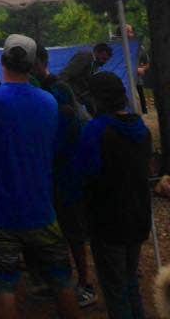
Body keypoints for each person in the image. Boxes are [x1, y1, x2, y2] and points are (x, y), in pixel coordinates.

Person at [0, 34, 79, 319]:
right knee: (62, 280)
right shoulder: (48, 102)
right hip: (41, 208)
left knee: (4, 286)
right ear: (32, 65)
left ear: (3, 60)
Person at [76, 71, 152, 319]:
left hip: (108, 222)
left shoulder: (96, 131)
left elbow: (85, 174)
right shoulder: (140, 128)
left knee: (115, 289)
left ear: (98, 99)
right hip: (138, 217)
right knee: (130, 282)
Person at [33, 46, 96, 308]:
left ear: (42, 61)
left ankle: (85, 284)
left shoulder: (60, 90)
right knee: (51, 231)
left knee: (72, 231)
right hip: (46, 174)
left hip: (65, 173)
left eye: (32, 62)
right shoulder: (34, 89)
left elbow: (70, 129)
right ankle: (58, 282)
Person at [59, 42, 112, 116]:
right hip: (72, 96)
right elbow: (65, 75)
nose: (104, 62)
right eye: (103, 59)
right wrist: (63, 95)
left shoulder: (95, 64)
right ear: (96, 52)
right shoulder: (85, 57)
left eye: (106, 60)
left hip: (80, 97)